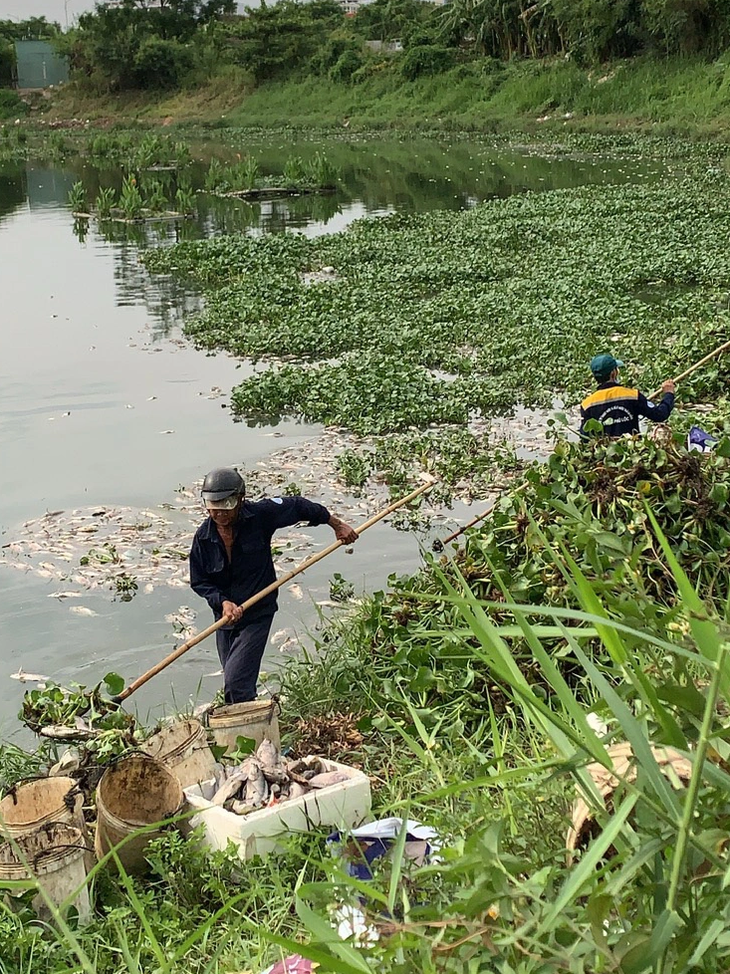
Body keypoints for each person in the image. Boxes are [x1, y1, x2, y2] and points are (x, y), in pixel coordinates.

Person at [189, 467, 358, 705]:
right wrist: (223, 602)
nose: (219, 512)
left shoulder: (260, 515)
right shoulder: (203, 538)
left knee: (236, 683)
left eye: (226, 503)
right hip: (225, 619)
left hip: (257, 612)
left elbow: (299, 506)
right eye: (212, 504)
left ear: (240, 499)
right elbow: (199, 581)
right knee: (236, 683)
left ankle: (252, 734)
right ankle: (255, 731)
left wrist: (335, 524)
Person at [579, 353, 676, 438]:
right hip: (632, 451)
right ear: (613, 373)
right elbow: (660, 415)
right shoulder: (633, 396)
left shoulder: (587, 404)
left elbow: (585, 436)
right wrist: (669, 394)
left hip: (605, 455)